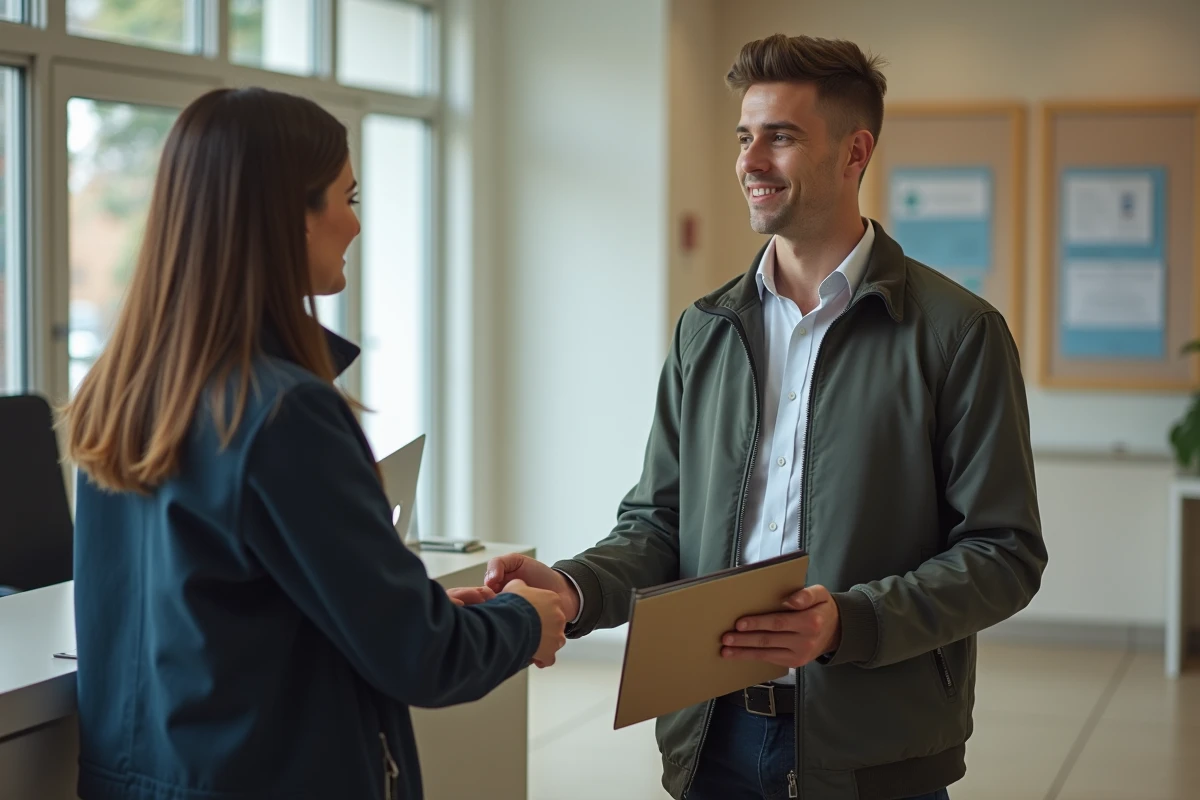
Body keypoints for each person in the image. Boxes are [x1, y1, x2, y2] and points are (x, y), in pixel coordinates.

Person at [483, 34, 1046, 800]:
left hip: (875, 747)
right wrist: (574, 589)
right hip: (711, 738)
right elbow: (657, 523)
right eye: (745, 136)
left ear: (854, 154)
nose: (750, 161)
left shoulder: (956, 333)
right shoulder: (706, 328)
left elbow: (1003, 552)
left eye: (780, 137)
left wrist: (850, 622)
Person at [63, 87, 566, 800]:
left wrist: (397, 608)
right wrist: (524, 621)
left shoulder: (120, 394)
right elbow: (420, 658)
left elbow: (215, 616)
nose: (356, 227)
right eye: (347, 198)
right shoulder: (286, 413)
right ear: (288, 219)